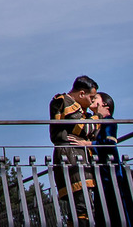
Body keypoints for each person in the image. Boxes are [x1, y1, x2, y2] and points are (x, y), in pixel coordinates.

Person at [50, 75, 100, 224]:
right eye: (91, 98)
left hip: (78, 156)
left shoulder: (79, 109)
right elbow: (83, 128)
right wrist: (98, 117)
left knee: (83, 205)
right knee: (81, 206)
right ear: (82, 93)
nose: (92, 102)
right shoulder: (64, 101)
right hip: (71, 156)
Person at [93, 92, 133, 227]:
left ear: (105, 104)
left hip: (111, 172)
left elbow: (109, 142)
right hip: (103, 172)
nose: (92, 100)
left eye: (95, 98)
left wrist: (87, 144)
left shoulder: (109, 121)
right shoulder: (98, 123)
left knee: (116, 204)